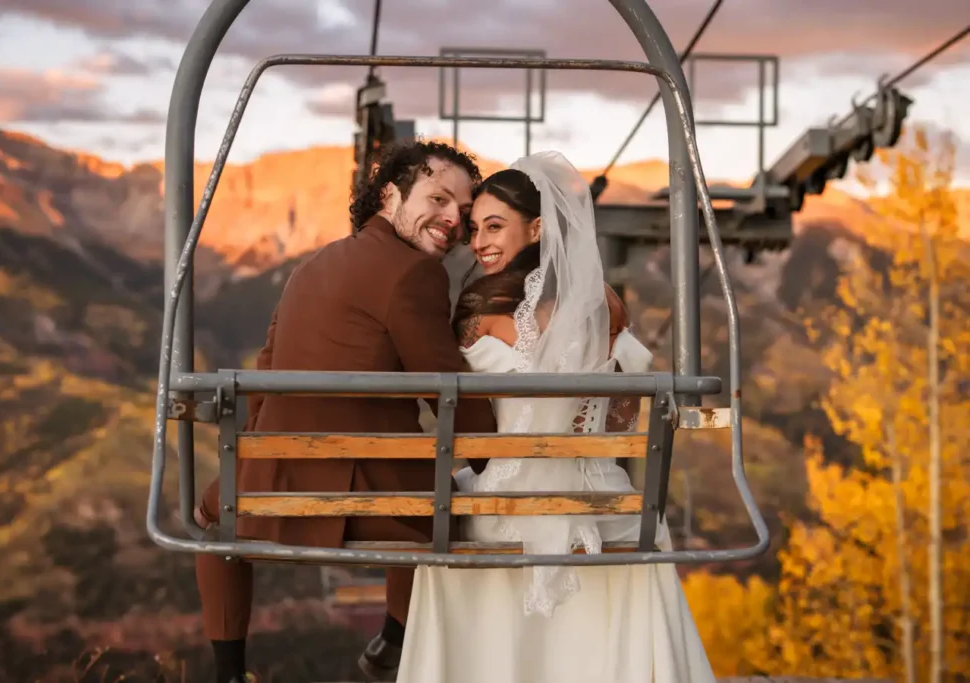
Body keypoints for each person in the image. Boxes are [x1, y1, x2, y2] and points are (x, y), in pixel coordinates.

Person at [395, 152, 716, 683]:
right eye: (475, 230)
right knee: (645, 521)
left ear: (539, 227)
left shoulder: (481, 307)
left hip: (506, 508)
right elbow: (618, 422)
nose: (479, 243)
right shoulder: (607, 305)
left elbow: (470, 423)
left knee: (444, 526)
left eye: (494, 226)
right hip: (603, 500)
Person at [192, 140, 498, 683]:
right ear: (389, 194)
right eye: (439, 198)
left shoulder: (312, 263)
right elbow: (444, 388)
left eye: (465, 210)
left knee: (213, 522)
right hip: (360, 494)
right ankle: (397, 639)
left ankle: (228, 671)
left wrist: (246, 471)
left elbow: (263, 371)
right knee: (443, 508)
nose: (453, 219)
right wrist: (493, 451)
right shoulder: (415, 273)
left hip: (270, 483)